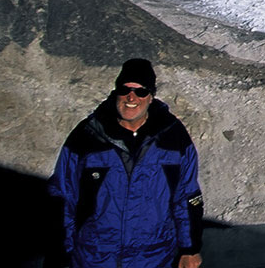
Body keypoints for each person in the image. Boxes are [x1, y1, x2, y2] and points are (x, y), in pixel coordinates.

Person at [50, 58, 203, 268]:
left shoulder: (174, 138)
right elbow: (62, 195)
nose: (132, 97)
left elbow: (187, 196)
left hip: (154, 258)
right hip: (94, 257)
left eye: (141, 91)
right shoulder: (87, 136)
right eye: (125, 89)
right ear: (116, 92)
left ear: (151, 97)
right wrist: (60, 255)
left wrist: (190, 249)